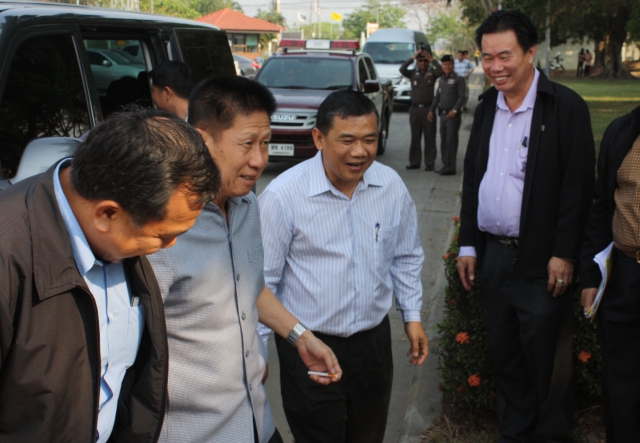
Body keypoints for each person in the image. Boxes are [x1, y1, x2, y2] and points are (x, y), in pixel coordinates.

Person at [0, 108, 221, 442]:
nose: (169, 246)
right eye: (162, 235)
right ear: (106, 214)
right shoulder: (9, 254)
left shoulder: (121, 241)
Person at [147, 76, 342, 443]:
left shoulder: (248, 203)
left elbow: (248, 284)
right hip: (195, 431)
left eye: (265, 143)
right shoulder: (163, 227)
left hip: (256, 419)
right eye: (247, 144)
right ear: (203, 140)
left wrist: (301, 336)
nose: (259, 160)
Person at [456, 10, 595, 442]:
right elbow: (473, 177)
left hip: (542, 260)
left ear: (530, 53)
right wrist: (467, 245)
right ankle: (515, 434)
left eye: (505, 56)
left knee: (547, 362)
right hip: (494, 257)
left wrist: (564, 253)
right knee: (506, 356)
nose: (495, 67)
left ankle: (551, 436)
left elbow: (577, 187)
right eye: (487, 57)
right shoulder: (487, 107)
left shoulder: (564, 107)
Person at [259, 89, 429, 443]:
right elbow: (263, 283)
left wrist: (411, 315)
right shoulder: (283, 196)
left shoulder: (390, 185)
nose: (360, 151)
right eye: (347, 140)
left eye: (369, 139)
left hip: (373, 345)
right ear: (319, 138)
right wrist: (258, 355)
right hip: (307, 346)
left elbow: (406, 255)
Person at [580, 106, 640, 442]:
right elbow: (601, 206)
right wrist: (591, 277)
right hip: (624, 277)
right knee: (620, 385)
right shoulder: (623, 130)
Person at [400, 48, 443, 170]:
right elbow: (402, 69)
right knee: (415, 137)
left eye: (425, 61)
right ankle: (414, 162)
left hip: (428, 109)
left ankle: (429, 163)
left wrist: (432, 59)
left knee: (430, 137)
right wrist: (412, 57)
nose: (423, 63)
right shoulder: (413, 73)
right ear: (417, 62)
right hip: (415, 110)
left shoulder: (432, 73)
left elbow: (441, 71)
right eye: (420, 61)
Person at [429, 54, 465, 176]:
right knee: (444, 140)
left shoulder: (459, 79)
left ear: (453, 65)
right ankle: (445, 165)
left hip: (452, 116)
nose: (447, 66)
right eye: (444, 64)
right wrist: (431, 109)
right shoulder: (442, 80)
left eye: (449, 64)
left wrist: (455, 110)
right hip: (443, 115)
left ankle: (450, 167)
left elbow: (462, 97)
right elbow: (437, 96)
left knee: (451, 141)